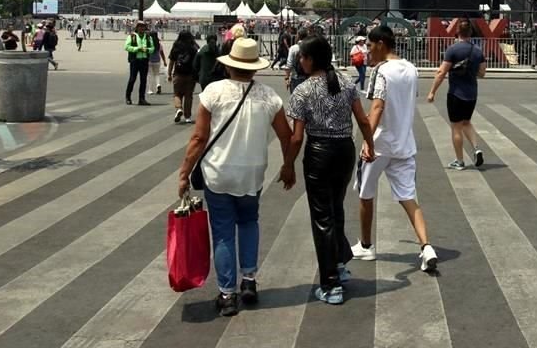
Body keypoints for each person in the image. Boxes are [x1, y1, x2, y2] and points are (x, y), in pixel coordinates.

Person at [177, 38, 295, 317]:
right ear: (254, 68)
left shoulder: (212, 93)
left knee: (222, 234)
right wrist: (288, 166)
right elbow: (286, 136)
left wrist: (184, 173)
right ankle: (249, 281)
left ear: (229, 65)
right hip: (252, 175)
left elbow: (198, 138)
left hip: (218, 174)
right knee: (249, 223)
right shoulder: (270, 97)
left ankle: (227, 294)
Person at [284, 36, 374, 306]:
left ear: (311, 59)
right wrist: (370, 144)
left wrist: (288, 164)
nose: (300, 61)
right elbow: (363, 119)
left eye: (303, 57)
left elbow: (297, 137)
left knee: (322, 217)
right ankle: (339, 264)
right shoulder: (346, 83)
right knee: (336, 208)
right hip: (344, 150)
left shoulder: (303, 90)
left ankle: (330, 283)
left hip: (319, 153)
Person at [351, 25, 438, 274]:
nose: (367, 51)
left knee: (365, 194)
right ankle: (426, 247)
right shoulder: (411, 68)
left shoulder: (381, 71)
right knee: (409, 198)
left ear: (380, 43)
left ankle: (366, 245)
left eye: (369, 46)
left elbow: (377, 107)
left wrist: (367, 141)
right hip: (404, 143)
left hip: (380, 143)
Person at [426, 21, 487, 171]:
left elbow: (441, 72)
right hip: (472, 93)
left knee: (456, 127)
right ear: (471, 33)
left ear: (458, 32)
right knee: (467, 122)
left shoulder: (453, 50)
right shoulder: (478, 51)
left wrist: (432, 91)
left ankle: (459, 161)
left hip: (456, 93)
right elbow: (482, 73)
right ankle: (476, 148)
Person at [168, 31, 200, 124]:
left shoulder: (176, 46)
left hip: (178, 73)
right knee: (188, 95)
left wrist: (169, 74)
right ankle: (188, 117)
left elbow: (171, 61)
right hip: (191, 74)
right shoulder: (194, 47)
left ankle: (178, 109)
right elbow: (198, 60)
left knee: (177, 94)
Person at [124, 21, 154, 105]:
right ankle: (128, 97)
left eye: (143, 26)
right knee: (132, 79)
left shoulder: (148, 37)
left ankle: (142, 98)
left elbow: (152, 48)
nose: (141, 28)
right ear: (136, 28)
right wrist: (137, 49)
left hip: (144, 60)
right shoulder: (132, 36)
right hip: (135, 60)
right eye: (139, 26)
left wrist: (147, 50)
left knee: (143, 80)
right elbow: (126, 47)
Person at [284, 27, 310, 93]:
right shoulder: (311, 46)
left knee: (295, 100)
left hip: (296, 77)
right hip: (308, 77)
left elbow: (289, 64)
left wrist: (287, 78)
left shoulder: (293, 48)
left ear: (298, 36)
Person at [147, 30, 167, 95]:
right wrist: (164, 61)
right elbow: (162, 53)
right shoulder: (159, 44)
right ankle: (158, 84)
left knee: (150, 75)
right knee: (157, 74)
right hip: (157, 60)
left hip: (149, 60)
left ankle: (150, 89)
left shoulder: (148, 43)